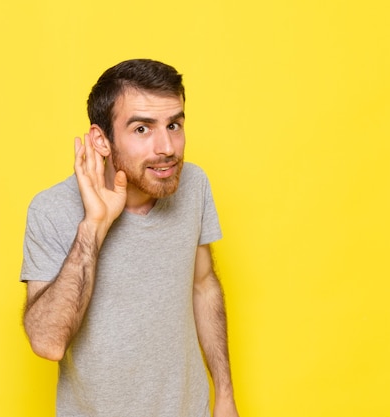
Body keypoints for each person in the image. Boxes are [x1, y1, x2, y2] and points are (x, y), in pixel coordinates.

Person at [20, 59, 239, 417]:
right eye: (142, 129)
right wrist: (94, 225)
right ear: (101, 140)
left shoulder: (194, 186)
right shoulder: (50, 210)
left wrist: (225, 397)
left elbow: (203, 285)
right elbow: (47, 342)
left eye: (174, 124)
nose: (166, 146)